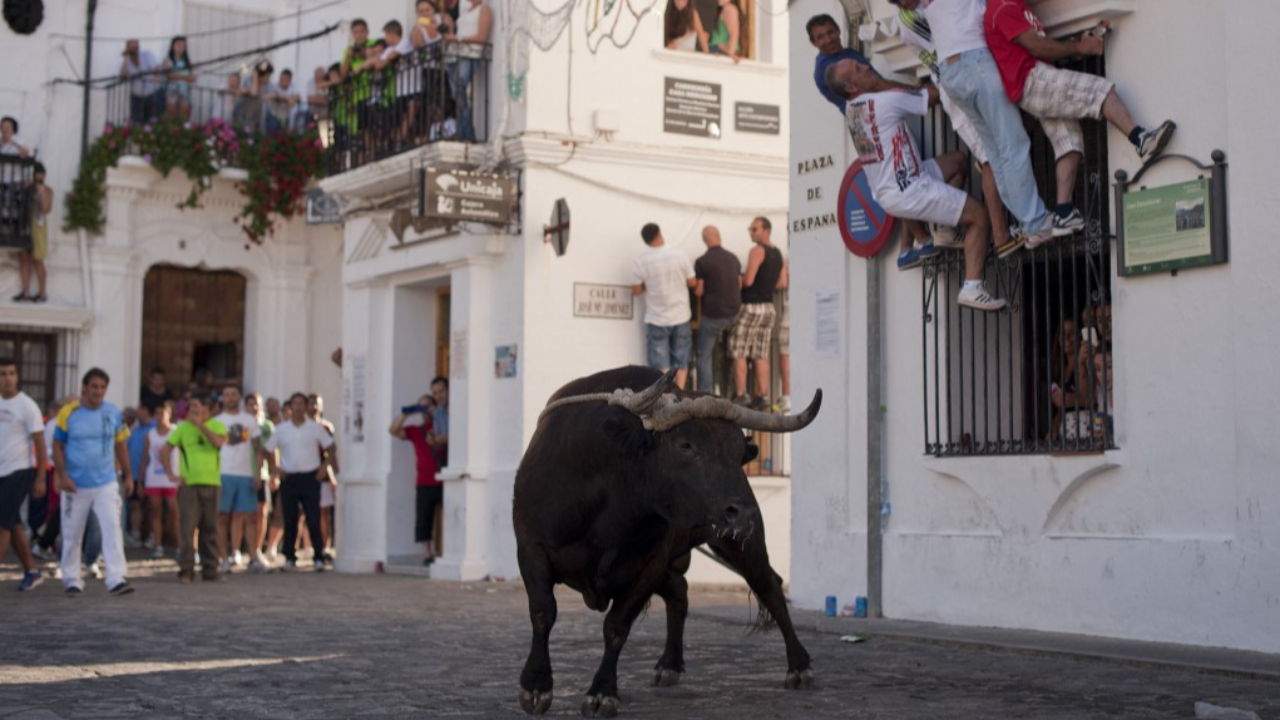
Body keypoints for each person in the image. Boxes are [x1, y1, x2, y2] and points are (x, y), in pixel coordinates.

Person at [828, 59, 1006, 312]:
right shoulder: (883, 102)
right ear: (851, 87)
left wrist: (878, 85)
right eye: (858, 70)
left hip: (897, 184)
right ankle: (973, 286)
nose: (866, 67)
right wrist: (882, 83)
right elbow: (932, 96)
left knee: (958, 162)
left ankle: (944, 230)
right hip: (909, 187)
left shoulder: (851, 109)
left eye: (860, 64)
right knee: (978, 216)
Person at [984, 0, 1175, 232]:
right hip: (1033, 79)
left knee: (1068, 140)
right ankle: (1141, 140)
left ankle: (1064, 212)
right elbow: (1036, 47)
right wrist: (1079, 48)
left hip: (1034, 82)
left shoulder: (1014, 6)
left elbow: (1044, 47)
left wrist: (1078, 42)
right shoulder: (1003, 7)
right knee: (1099, 91)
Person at [902, 0, 1056, 250]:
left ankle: (1030, 222)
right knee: (1012, 144)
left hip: (951, 74)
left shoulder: (925, 9)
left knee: (997, 154)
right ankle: (1036, 223)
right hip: (973, 60)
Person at [53, 368, 134, 596]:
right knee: (72, 531)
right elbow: (57, 446)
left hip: (106, 482)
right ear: (85, 388)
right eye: (94, 387)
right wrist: (62, 476)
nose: (98, 391)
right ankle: (71, 579)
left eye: (102, 387)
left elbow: (121, 445)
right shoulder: (69, 412)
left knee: (111, 527)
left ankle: (116, 577)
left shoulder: (113, 412)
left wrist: (128, 475)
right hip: (75, 484)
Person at [264, 393, 335, 572]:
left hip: (311, 477)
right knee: (290, 518)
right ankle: (289, 556)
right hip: (289, 478)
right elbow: (268, 450)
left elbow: (331, 448)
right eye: (295, 403)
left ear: (306, 406)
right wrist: (276, 469)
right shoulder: (281, 429)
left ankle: (318, 556)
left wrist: (323, 467)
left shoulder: (315, 428)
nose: (298, 407)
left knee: (313, 517)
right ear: (290, 407)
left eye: (301, 403)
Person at [163, 393, 227, 583]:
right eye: (191, 408)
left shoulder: (216, 425)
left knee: (211, 528)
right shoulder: (182, 428)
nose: (193, 411)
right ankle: (187, 569)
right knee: (187, 529)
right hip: (190, 485)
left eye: (197, 407)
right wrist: (171, 475)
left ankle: (210, 570)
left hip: (213, 483)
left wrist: (200, 425)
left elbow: (218, 442)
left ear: (206, 408)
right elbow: (166, 450)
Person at [0, 357, 48, 591]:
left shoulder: (27, 405)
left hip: (19, 470)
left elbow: (40, 442)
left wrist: (41, 477)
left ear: (17, 376)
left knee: (2, 524)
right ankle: (32, 570)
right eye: (2, 374)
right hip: (1, 471)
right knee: (13, 523)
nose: (7, 378)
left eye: (11, 373)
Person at [632, 223, 697, 389]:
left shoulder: (641, 261)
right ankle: (679, 393)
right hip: (681, 314)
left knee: (660, 363)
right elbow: (692, 282)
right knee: (681, 359)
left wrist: (649, 285)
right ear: (660, 234)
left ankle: (664, 394)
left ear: (645, 241)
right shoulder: (679, 255)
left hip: (656, 317)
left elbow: (636, 290)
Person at [729, 217, 784, 408]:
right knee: (761, 353)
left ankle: (741, 394)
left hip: (751, 306)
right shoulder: (778, 254)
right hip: (769, 308)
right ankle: (763, 395)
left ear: (766, 230)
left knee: (739, 350)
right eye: (750, 229)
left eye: (754, 229)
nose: (751, 233)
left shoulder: (757, 251)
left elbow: (749, 281)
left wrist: (738, 280)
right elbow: (782, 283)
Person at [214, 385, 266, 574]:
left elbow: (258, 449)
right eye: (226, 394)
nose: (230, 397)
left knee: (250, 517)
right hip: (223, 474)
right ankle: (223, 558)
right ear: (222, 398)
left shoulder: (249, 420)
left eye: (233, 394)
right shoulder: (216, 421)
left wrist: (258, 473)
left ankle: (253, 557)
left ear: (239, 398)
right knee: (222, 517)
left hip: (245, 474)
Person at [390, 394, 442, 566]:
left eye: (427, 406)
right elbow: (393, 430)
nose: (425, 410)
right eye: (422, 407)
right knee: (423, 521)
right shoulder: (417, 430)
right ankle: (428, 554)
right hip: (423, 482)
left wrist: (437, 413)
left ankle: (447, 551)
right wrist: (409, 411)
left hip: (442, 480)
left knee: (449, 518)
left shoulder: (442, 425)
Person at [693, 225, 741, 395]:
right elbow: (739, 285)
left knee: (704, 354)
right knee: (735, 353)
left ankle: (705, 393)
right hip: (735, 315)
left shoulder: (702, 261)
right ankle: (736, 391)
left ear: (704, 241)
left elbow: (699, 290)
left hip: (714, 315)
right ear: (719, 236)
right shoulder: (734, 258)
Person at [443, 0, 492, 141]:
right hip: (454, 56)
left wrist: (457, 39)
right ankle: (462, 132)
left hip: (469, 55)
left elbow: (481, 37)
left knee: (460, 88)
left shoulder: (484, 10)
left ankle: (467, 132)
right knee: (457, 95)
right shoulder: (465, 12)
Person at [805, 14, 873, 112]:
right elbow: (869, 88)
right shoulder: (825, 69)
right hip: (868, 114)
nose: (828, 40)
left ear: (838, 31)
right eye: (821, 37)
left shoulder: (850, 52)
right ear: (813, 42)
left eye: (830, 32)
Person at [138, 401, 179, 559]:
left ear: (169, 415)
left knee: (174, 512)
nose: (159, 417)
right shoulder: (150, 434)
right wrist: (140, 482)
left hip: (171, 479)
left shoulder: (175, 431)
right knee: (155, 512)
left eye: (163, 413)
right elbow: (144, 459)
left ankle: (179, 546)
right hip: (153, 478)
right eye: (157, 414)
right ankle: (158, 545)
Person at [13, 161, 51, 302]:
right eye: (37, 174)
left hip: (38, 223)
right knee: (23, 256)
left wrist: (41, 194)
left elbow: (47, 209)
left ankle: (42, 293)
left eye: (41, 174)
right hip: (25, 221)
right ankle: (26, 290)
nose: (39, 177)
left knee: (38, 258)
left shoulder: (47, 190)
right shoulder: (27, 188)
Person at [245, 393, 275, 563]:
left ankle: (256, 550)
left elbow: (271, 451)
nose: (254, 407)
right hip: (243, 472)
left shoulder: (267, 426)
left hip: (262, 474)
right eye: (250, 404)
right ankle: (243, 549)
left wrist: (273, 474)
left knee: (261, 513)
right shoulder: (241, 423)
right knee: (244, 514)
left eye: (257, 404)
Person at [308, 393, 338, 556]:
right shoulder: (301, 426)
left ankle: (325, 546)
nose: (313, 406)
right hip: (305, 474)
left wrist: (331, 473)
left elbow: (331, 452)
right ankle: (308, 546)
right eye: (310, 403)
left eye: (316, 403)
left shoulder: (326, 427)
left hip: (323, 473)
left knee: (324, 512)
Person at [124, 403, 154, 546]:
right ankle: (136, 534)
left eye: (140, 410)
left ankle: (151, 536)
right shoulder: (135, 430)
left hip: (152, 475)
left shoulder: (154, 428)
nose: (137, 413)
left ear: (147, 411)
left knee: (151, 507)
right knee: (135, 504)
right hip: (134, 474)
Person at [119, 39, 164, 125]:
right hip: (137, 98)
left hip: (153, 94)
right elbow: (123, 77)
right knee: (136, 122)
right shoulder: (127, 62)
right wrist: (125, 60)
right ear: (127, 48)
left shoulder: (146, 55)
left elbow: (157, 66)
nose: (134, 48)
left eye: (136, 45)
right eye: (131, 46)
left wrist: (157, 76)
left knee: (153, 122)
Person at [162, 36, 195, 120]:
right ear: (173, 46)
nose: (181, 47)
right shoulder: (167, 59)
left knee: (184, 115)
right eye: (178, 44)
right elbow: (169, 75)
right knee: (171, 114)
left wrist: (177, 76)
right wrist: (185, 77)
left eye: (183, 45)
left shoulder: (187, 62)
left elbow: (193, 78)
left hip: (184, 91)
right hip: (171, 91)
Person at [265, 69, 301, 135]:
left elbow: (295, 99)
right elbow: (271, 96)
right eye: (281, 78)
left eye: (285, 79)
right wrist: (287, 98)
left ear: (289, 80)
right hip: (274, 115)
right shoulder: (274, 85)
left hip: (287, 117)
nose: (282, 80)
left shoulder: (293, 87)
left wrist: (281, 97)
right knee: (271, 136)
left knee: (284, 137)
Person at [429, 377, 449, 468]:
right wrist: (433, 440)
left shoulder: (461, 407)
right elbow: (440, 445)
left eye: (441, 391)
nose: (439, 396)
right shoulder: (437, 411)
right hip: (448, 458)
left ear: (449, 390)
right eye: (435, 393)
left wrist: (449, 438)